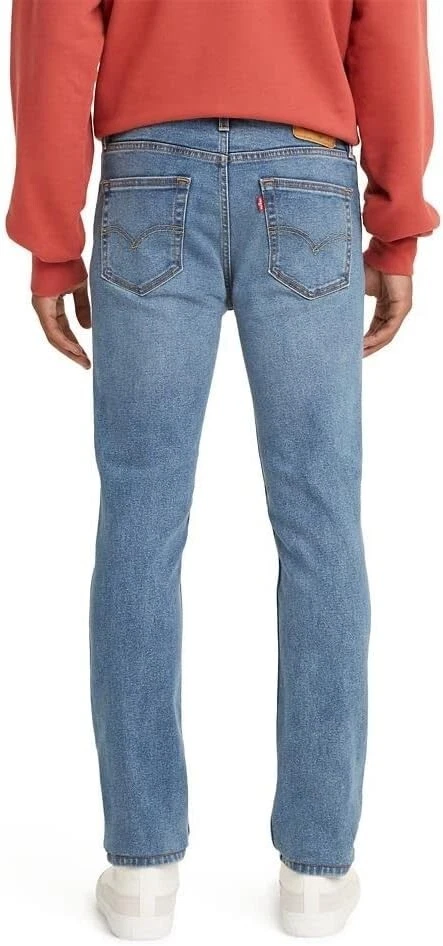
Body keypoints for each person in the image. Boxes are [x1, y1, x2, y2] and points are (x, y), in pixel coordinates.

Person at [6, 0, 439, 939]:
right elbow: (388, 29)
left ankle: (140, 870)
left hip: (149, 177)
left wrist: (50, 241)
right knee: (321, 521)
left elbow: (56, 32)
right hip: (308, 175)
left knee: (139, 523)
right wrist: (395, 222)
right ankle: (317, 872)